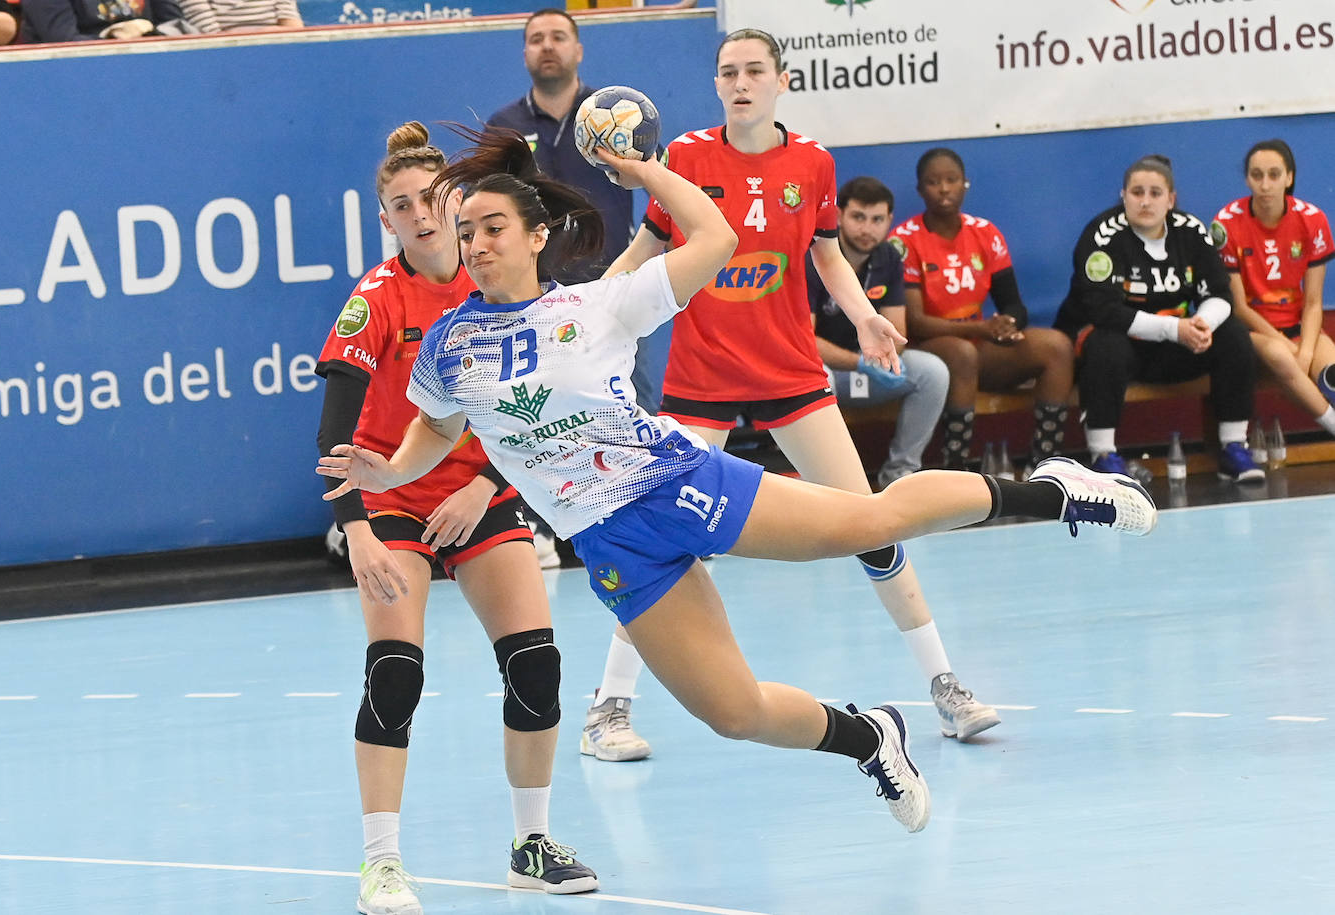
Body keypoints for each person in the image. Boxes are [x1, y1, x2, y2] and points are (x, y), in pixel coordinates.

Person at [315, 125, 1157, 850]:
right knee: (732, 710)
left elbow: (715, 237)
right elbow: (438, 430)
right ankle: (869, 735)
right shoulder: (452, 343)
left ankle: (1055, 490)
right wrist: (387, 471)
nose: (475, 241)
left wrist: (643, 173)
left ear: (538, 236)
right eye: (466, 231)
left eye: (492, 225)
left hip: (676, 483)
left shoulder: (597, 306)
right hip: (609, 542)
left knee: (866, 520)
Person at [605, 29, 1001, 743]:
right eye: (728, 72)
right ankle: (611, 707)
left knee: (872, 522)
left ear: (782, 81)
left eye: (755, 70)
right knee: (660, 543)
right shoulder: (688, 158)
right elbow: (648, 250)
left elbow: (827, 258)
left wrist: (866, 318)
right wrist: (583, 312)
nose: (741, 81)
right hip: (702, 379)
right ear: (717, 84)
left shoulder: (813, 163)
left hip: (791, 373)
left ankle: (946, 684)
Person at [314, 122, 596, 915]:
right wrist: (359, 527)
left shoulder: (494, 287)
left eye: (431, 200)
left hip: (479, 491)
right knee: (395, 670)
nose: (422, 216)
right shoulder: (378, 299)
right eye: (400, 206)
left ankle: (531, 843)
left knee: (537, 666)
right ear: (386, 221)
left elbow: (530, 403)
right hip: (393, 500)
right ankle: (382, 862)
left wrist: (485, 486)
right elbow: (334, 429)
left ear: (457, 201)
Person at [488, 5, 658, 762]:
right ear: (524, 53)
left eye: (558, 34)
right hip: (535, 312)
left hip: (607, 299)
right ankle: (546, 527)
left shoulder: (613, 118)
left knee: (631, 430)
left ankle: (636, 540)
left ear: (579, 48)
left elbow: (653, 209)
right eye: (534, 37)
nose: (546, 46)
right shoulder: (505, 129)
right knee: (531, 420)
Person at [1054, 154, 1265, 483]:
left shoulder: (1191, 230)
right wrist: (1174, 328)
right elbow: (1103, 311)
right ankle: (1104, 455)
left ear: (1171, 199)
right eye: (1137, 193)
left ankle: (1234, 448)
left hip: (1174, 344)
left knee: (1234, 335)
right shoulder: (1100, 236)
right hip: (1119, 347)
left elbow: (1221, 295)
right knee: (1105, 343)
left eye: (1155, 193)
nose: (1146, 201)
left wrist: (1202, 325)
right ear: (1123, 196)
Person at [892, 148, 1076, 474]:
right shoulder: (905, 240)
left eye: (951, 180)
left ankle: (1044, 465)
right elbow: (914, 324)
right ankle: (956, 470)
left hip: (979, 346)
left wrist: (1009, 324)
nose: (944, 189)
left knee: (1057, 346)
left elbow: (1014, 305)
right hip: (932, 350)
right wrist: (981, 330)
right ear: (920, 190)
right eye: (934, 182)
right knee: (963, 353)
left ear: (965, 184)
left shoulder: (985, 233)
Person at [806, 175, 950, 489]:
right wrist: (858, 362)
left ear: (889, 221)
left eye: (877, 220)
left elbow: (896, 332)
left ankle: (900, 475)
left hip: (873, 369)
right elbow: (806, 341)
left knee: (932, 372)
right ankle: (826, 484)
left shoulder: (889, 258)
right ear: (839, 216)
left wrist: (879, 360)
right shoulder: (814, 256)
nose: (867, 229)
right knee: (820, 380)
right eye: (858, 217)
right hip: (828, 371)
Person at [1213, 139, 1335, 438]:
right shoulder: (1226, 224)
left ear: (1289, 177)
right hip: (1253, 331)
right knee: (1282, 357)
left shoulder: (1312, 219)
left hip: (1299, 325)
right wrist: (1291, 350)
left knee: (1331, 372)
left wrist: (1305, 352)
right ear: (1247, 179)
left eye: (1274, 174)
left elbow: (1314, 301)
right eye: (1257, 175)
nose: (1265, 184)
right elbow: (1239, 307)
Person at [20, 0, 185, 41]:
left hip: (151, 65)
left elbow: (174, 25)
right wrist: (118, 40)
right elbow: (63, 44)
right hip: (79, 77)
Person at [177, 0, 300, 33]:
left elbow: (295, 31)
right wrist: (265, 33)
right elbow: (212, 40)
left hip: (278, 54)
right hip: (223, 62)